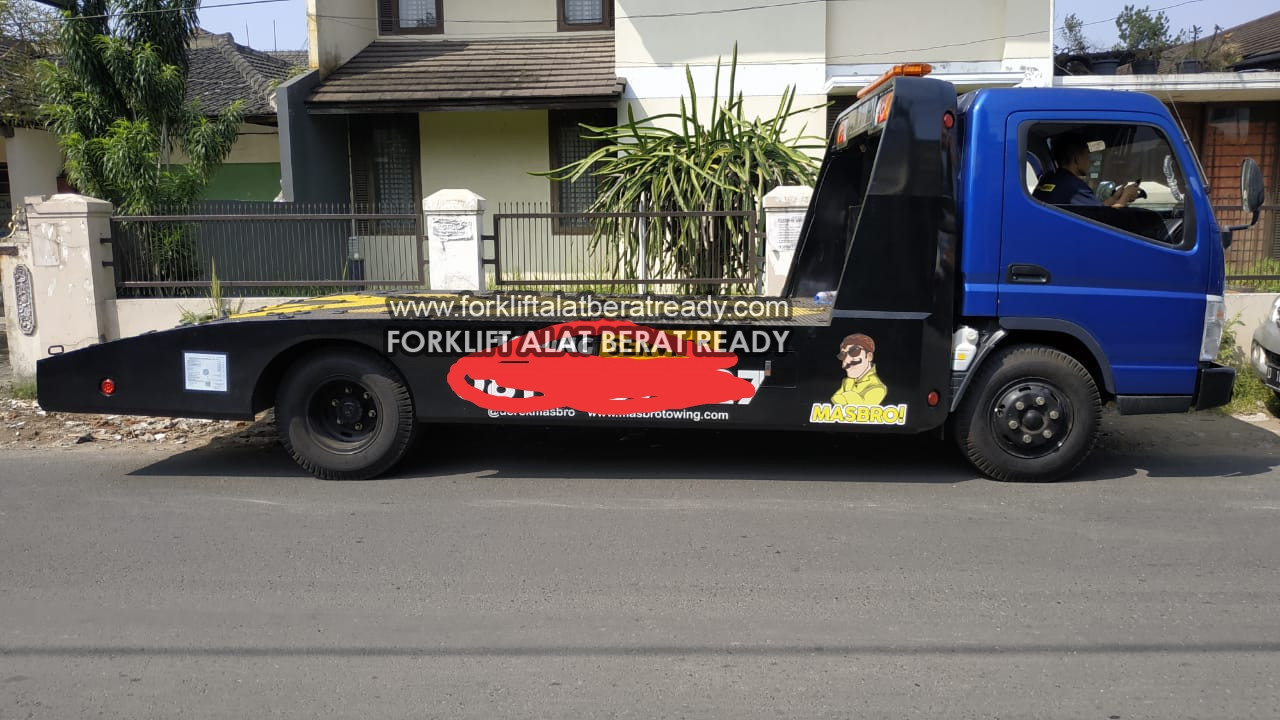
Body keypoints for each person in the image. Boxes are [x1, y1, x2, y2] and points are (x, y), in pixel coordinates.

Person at [1033, 134, 1141, 208]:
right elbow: (1104, 220)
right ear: (1076, 158)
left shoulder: (1050, 178)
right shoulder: (1074, 187)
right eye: (1087, 155)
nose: (1090, 160)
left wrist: (1114, 198)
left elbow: (1095, 209)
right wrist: (1126, 196)